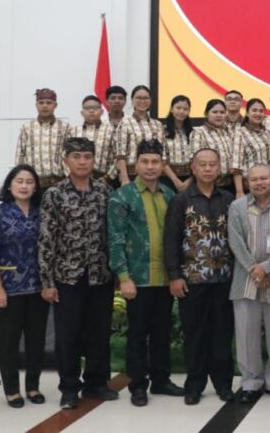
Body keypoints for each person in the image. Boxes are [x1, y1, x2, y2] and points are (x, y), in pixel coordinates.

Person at [38, 137, 117, 409]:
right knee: (68, 335)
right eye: (76, 157)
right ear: (66, 160)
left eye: (87, 157)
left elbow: (113, 233)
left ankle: (97, 383)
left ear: (94, 160)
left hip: (100, 274)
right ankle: (69, 387)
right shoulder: (54, 193)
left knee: (99, 332)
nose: (82, 162)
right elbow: (46, 239)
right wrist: (47, 281)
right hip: (67, 276)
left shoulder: (105, 191)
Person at [107, 140, 185, 407]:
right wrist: (124, 277)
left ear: (163, 166)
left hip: (165, 278)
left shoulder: (169, 195)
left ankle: (161, 380)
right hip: (137, 279)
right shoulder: (122, 196)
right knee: (138, 335)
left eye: (155, 162)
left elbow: (177, 238)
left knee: (162, 333)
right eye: (145, 162)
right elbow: (115, 239)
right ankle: (138, 385)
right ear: (136, 164)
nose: (150, 167)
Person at [164, 148, 236, 406]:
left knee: (222, 335)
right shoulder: (181, 200)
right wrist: (174, 275)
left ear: (219, 168)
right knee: (195, 335)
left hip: (224, 280)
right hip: (192, 279)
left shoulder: (228, 200)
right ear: (192, 168)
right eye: (202, 164)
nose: (207, 169)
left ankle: (224, 384)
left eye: (212, 164)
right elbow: (171, 239)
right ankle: (194, 385)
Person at [0, 165, 49, 408]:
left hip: (39, 288)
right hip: (8, 289)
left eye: (29, 181)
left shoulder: (42, 212)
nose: (24, 186)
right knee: (8, 343)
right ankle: (11, 390)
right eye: (19, 181)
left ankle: (33, 386)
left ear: (36, 187)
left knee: (36, 342)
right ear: (10, 185)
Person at [228, 164, 270, 404]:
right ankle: (250, 383)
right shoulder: (237, 207)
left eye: (264, 178)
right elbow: (235, 242)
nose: (259, 183)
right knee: (246, 335)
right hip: (245, 281)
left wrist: (265, 268)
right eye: (254, 179)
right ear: (247, 183)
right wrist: (254, 269)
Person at [15, 88, 71, 190]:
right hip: (33, 184)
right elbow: (20, 155)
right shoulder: (27, 127)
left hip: (59, 183)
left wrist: (70, 180)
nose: (45, 106)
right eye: (41, 103)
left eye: (49, 103)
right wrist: (20, 179)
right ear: (36, 105)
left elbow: (69, 155)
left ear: (55, 105)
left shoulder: (65, 127)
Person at [115, 85, 165, 185]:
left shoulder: (158, 125)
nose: (142, 101)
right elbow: (120, 154)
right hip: (132, 176)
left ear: (150, 101)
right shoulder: (125, 123)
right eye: (138, 98)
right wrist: (124, 178)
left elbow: (162, 153)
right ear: (132, 100)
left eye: (145, 98)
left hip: (154, 175)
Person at [190, 99, 237, 193]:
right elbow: (196, 161)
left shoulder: (230, 132)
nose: (218, 115)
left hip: (231, 184)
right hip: (209, 185)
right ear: (206, 114)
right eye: (215, 112)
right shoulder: (199, 132)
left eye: (222, 112)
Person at [72, 95, 117, 183]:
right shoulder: (74, 131)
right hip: (77, 180)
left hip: (104, 180)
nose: (91, 111)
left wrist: (107, 177)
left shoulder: (111, 131)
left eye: (95, 107)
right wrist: (72, 177)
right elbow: (65, 156)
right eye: (87, 108)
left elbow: (118, 157)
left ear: (102, 111)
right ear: (82, 112)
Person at [232, 98, 270, 197]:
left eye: (261, 111)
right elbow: (237, 165)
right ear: (247, 113)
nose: (258, 113)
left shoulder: (267, 133)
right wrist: (239, 191)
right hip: (250, 186)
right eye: (254, 110)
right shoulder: (240, 133)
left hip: (267, 185)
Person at [161, 94, 193, 191]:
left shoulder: (193, 132)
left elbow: (197, 158)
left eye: (185, 109)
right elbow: (161, 158)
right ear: (171, 109)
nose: (181, 111)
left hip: (190, 180)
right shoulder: (161, 131)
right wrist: (176, 181)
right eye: (178, 108)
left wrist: (189, 181)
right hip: (167, 178)